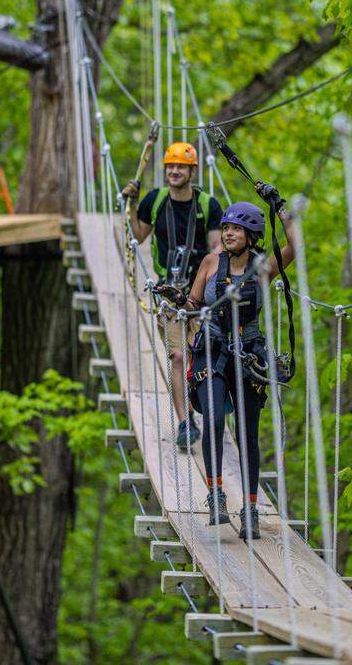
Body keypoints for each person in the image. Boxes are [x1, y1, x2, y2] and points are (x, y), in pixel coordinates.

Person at [156, 184, 296, 541]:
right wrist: (177, 299)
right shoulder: (209, 262)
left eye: (236, 229)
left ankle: (249, 506)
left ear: (251, 236)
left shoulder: (262, 269)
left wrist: (280, 209)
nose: (229, 233)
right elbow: (193, 305)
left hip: (249, 354)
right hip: (212, 349)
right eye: (227, 228)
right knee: (215, 417)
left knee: (248, 431)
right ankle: (216, 493)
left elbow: (297, 247)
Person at [121, 142, 224, 450]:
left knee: (202, 356)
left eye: (181, 167)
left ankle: (212, 413)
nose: (174, 171)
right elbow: (139, 236)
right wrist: (131, 205)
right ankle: (184, 421)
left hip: (201, 296)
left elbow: (217, 249)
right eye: (170, 166)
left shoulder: (208, 205)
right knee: (178, 355)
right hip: (168, 290)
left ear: (192, 171)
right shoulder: (155, 200)